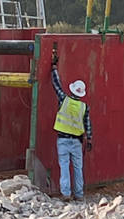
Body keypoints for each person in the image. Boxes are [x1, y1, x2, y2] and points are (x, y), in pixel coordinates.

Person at [51, 48, 93, 200]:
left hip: (62, 139)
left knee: (64, 166)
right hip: (76, 142)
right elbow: (88, 125)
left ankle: (66, 194)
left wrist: (54, 67)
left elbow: (56, 85)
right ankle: (79, 195)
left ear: (73, 90)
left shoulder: (64, 100)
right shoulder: (84, 107)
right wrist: (89, 139)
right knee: (78, 168)